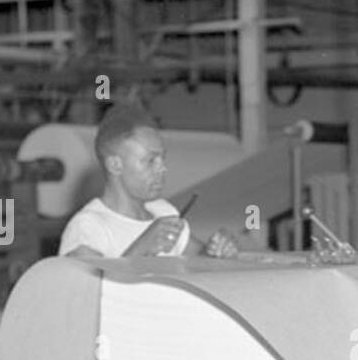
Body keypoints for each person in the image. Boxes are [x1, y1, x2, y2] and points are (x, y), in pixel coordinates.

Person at [59, 104, 237, 259]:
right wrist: (142, 248)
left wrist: (216, 252)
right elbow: (86, 291)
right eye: (150, 161)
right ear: (115, 165)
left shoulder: (164, 212)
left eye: (162, 159)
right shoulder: (88, 227)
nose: (162, 169)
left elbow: (199, 261)